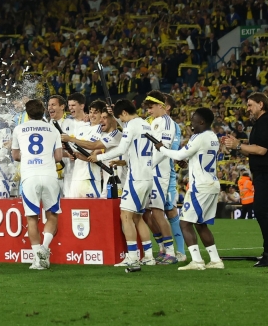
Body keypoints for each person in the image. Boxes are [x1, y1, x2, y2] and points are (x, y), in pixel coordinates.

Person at [90, 100, 172, 270]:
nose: (121, 120)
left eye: (121, 117)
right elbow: (135, 151)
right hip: (148, 177)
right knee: (137, 217)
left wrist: (98, 158)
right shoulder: (145, 125)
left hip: (137, 179)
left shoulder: (131, 126)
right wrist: (122, 162)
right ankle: (148, 256)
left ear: (125, 113)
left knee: (125, 216)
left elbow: (121, 148)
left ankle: (132, 256)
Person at [150, 107, 224, 271]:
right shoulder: (213, 137)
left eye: (194, 121)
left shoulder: (198, 137)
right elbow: (199, 157)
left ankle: (197, 261)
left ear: (202, 122)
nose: (191, 124)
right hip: (212, 184)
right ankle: (215, 259)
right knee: (200, 224)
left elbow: (178, 155)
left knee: (185, 223)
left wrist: (161, 147)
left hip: (200, 187)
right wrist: (188, 161)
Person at [223, 92, 268, 268]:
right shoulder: (262, 123)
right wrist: (236, 145)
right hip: (266, 173)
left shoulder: (266, 122)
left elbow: (261, 150)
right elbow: (252, 149)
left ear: (261, 104)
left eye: (250, 105)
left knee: (260, 210)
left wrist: (239, 145)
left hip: (267, 173)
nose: (247, 108)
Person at [10, 99, 63, 271]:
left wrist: (28, 157)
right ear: (43, 112)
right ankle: (44, 248)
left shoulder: (18, 129)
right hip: (49, 175)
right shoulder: (53, 129)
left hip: (29, 176)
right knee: (52, 215)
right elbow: (58, 157)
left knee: (32, 218)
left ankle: (37, 258)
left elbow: (16, 155)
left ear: (27, 113)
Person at [144, 92, 187, 261]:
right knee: (148, 212)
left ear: (166, 106)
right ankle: (163, 247)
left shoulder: (172, 125)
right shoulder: (152, 122)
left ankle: (180, 251)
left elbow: (169, 149)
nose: (149, 109)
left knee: (169, 210)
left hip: (165, 173)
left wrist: (178, 157)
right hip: (150, 172)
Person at [66, 100, 121, 198]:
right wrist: (70, 152)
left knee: (92, 210)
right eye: (90, 112)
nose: (92, 115)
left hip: (89, 176)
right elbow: (74, 147)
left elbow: (93, 150)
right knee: (72, 209)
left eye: (96, 112)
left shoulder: (103, 130)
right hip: (76, 175)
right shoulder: (82, 127)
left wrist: (73, 143)